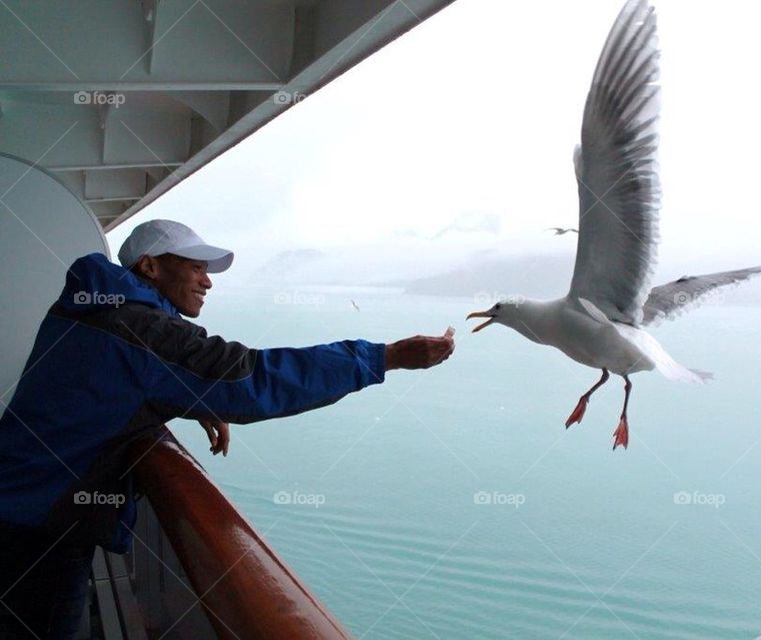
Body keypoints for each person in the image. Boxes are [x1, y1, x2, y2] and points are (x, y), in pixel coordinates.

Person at [0, 219, 454, 638]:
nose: (207, 280)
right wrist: (384, 357)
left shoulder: (95, 309)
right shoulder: (143, 329)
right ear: (151, 266)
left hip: (20, 502)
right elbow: (253, 378)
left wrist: (189, 399)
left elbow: (108, 384)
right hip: (39, 530)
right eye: (196, 267)